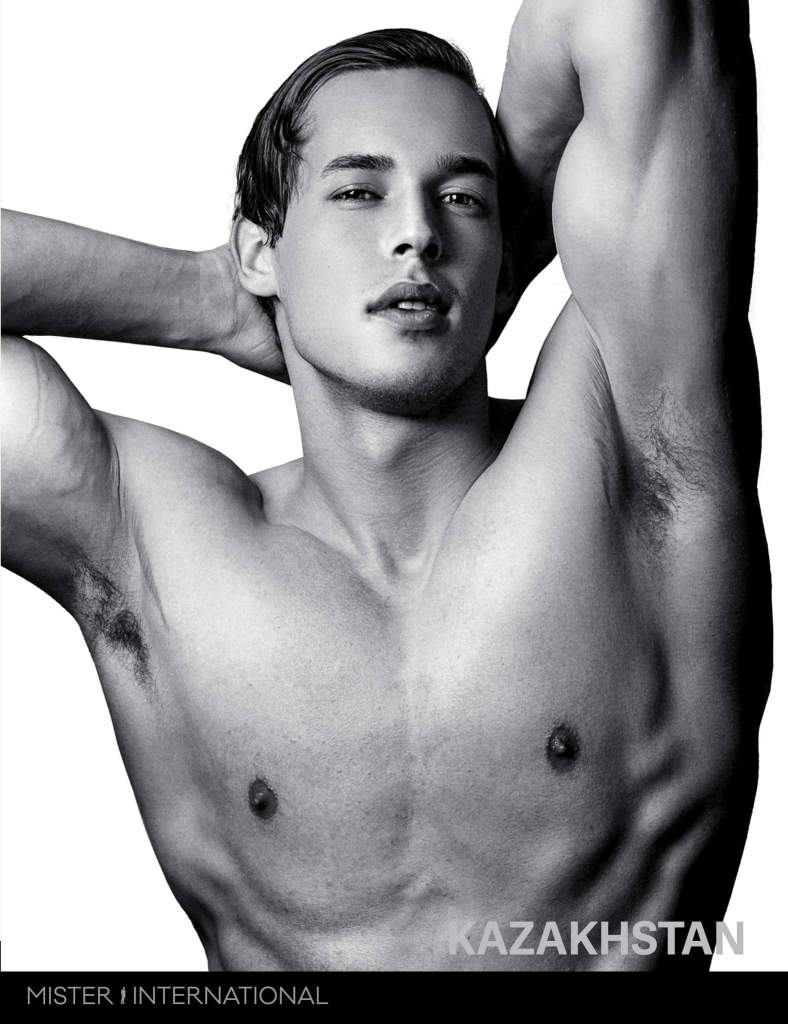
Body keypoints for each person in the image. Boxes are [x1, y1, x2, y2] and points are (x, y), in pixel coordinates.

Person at [1, 1, 771, 972]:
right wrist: (205, 298)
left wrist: (505, 245)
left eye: (460, 199)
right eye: (360, 192)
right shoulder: (148, 537)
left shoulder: (634, 447)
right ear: (261, 250)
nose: (415, 234)